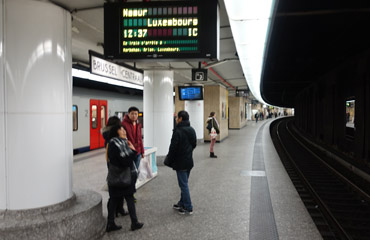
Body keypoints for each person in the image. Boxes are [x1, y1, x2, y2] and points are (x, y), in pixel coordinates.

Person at [106, 124, 144, 232]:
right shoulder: (114, 144)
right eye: (121, 129)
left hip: (121, 177)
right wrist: (132, 150)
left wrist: (131, 150)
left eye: (124, 129)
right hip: (121, 177)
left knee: (117, 199)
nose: (124, 131)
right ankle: (132, 223)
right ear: (115, 131)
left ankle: (112, 223)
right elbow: (125, 162)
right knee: (124, 199)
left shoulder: (121, 143)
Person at [166, 111, 197, 215]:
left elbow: (173, 148)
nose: (176, 120)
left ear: (180, 119)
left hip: (180, 162)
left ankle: (188, 207)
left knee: (183, 185)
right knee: (184, 183)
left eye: (177, 118)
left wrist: (169, 159)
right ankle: (181, 203)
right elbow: (194, 144)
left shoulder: (178, 131)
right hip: (189, 161)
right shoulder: (192, 130)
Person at [102, 116, 128, 218]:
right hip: (116, 165)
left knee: (115, 189)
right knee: (118, 188)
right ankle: (117, 210)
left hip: (111, 165)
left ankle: (116, 211)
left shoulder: (107, 136)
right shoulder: (113, 138)